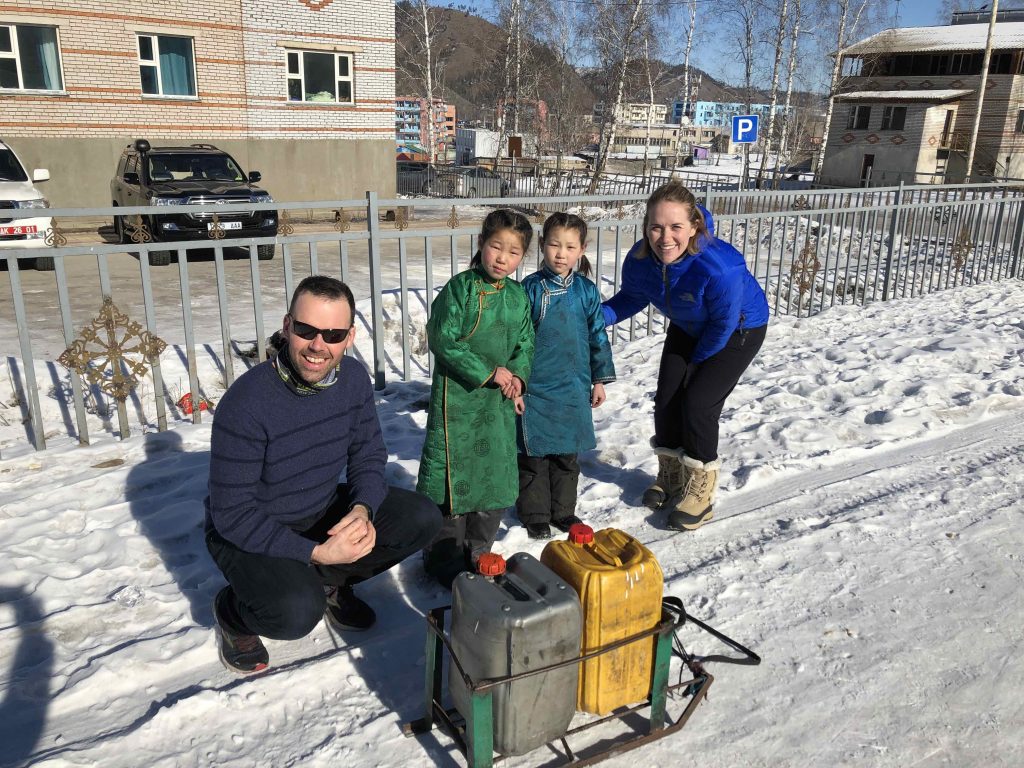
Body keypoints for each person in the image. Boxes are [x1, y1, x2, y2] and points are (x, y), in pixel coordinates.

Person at [205, 275, 441, 674]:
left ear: (349, 337)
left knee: (421, 518)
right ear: (287, 327)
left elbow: (368, 454)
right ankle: (233, 613)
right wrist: (315, 553)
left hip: (317, 506)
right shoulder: (246, 403)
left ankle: (330, 582)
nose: (318, 345)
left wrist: (362, 509)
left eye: (332, 334)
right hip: (248, 528)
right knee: (296, 614)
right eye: (306, 330)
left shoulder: (352, 380)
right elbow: (232, 513)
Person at [602, 180, 769, 531]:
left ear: (694, 227)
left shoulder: (719, 267)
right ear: (646, 227)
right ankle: (672, 475)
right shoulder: (641, 259)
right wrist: (592, 318)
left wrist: (695, 366)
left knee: (697, 403)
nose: (665, 238)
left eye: (676, 227)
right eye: (656, 227)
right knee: (666, 399)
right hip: (688, 325)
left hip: (738, 329)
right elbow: (632, 297)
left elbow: (722, 325)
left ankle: (700, 490)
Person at [417, 209, 535, 587]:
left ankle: (479, 549)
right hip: (457, 401)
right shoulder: (460, 289)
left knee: (493, 477)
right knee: (453, 480)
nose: (502, 258)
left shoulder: (518, 296)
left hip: (497, 404)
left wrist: (517, 377)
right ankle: (443, 559)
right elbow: (442, 338)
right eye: (496, 247)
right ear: (482, 243)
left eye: (513, 252)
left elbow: (525, 343)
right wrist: (488, 372)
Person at [514, 212, 616, 540]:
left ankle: (563, 511)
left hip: (573, 386)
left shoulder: (586, 291)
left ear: (581, 250)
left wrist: (599, 379)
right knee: (534, 455)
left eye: (570, 247)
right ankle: (534, 513)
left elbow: (597, 335)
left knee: (567, 455)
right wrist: (517, 382)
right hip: (536, 388)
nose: (561, 254)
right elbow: (516, 340)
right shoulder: (529, 289)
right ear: (542, 244)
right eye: (555, 245)